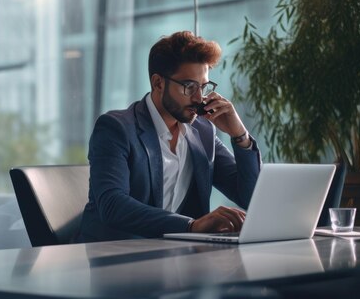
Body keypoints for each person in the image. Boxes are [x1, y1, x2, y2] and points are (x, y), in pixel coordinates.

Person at [77, 31, 262, 242]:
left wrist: (239, 135)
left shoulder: (203, 131)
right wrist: (190, 226)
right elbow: (112, 205)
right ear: (158, 83)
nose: (199, 98)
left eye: (203, 87)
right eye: (189, 86)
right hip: (112, 258)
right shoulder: (116, 128)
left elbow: (250, 197)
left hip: (177, 258)